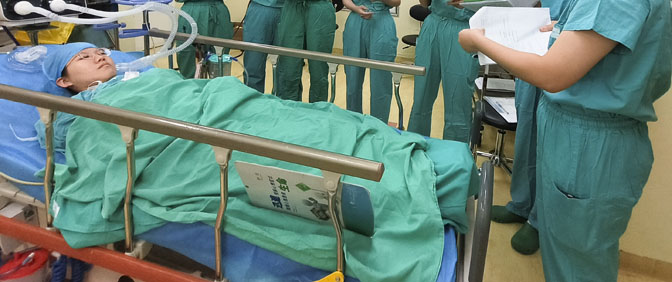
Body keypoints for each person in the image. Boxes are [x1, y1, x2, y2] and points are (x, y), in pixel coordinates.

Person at [34, 43, 477, 282]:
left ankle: (390, 167)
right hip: (189, 145)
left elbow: (202, 94)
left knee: (313, 124)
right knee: (277, 156)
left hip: (225, 112)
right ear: (63, 81)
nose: (99, 55)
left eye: (100, 50)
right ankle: (389, 191)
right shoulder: (78, 116)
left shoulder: (150, 77)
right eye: (82, 57)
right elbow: (100, 160)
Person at [458, 0, 672, 281]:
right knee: (577, 251)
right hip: (598, 138)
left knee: (577, 262)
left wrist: (480, 41)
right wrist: (558, 31)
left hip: (588, 144)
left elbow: (552, 75)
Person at [492, 0, 588, 256]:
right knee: (525, 141)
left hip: (558, 81)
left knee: (548, 151)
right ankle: (520, 204)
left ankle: (538, 220)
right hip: (528, 75)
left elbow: (579, 36)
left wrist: (557, 27)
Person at [408, 0, 507, 142]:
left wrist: (469, 3)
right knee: (421, 93)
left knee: (458, 99)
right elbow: (425, 4)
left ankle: (455, 154)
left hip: (464, 34)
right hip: (432, 28)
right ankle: (415, 145)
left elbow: (498, 12)